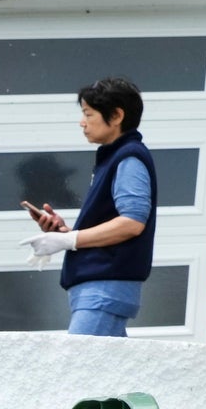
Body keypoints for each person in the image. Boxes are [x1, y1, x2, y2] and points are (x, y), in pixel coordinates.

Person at [24, 76, 156, 338]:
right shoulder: (113, 158)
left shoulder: (129, 158)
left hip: (104, 291)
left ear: (116, 116)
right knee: (105, 375)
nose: (82, 122)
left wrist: (70, 240)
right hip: (96, 291)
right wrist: (63, 232)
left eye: (89, 113)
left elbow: (132, 222)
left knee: (76, 370)